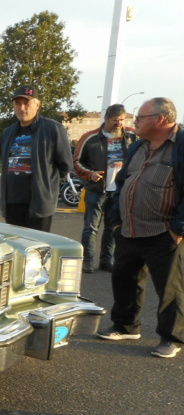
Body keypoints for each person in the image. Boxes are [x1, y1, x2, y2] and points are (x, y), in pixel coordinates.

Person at [97, 97, 184, 359]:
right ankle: (126, 326)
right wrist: (115, 220)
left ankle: (172, 338)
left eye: (141, 117)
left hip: (163, 231)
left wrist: (178, 228)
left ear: (160, 119)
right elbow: (123, 182)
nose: (134, 122)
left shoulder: (180, 145)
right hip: (129, 228)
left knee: (169, 289)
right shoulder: (137, 147)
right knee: (124, 279)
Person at [0, 85, 74, 231]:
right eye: (17, 103)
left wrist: (47, 187)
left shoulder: (53, 129)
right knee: (15, 247)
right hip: (12, 204)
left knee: (37, 249)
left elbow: (65, 165)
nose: (22, 108)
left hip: (39, 204)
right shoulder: (7, 133)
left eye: (26, 103)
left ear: (37, 105)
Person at [73, 104, 136, 273]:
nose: (119, 123)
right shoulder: (90, 137)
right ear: (106, 119)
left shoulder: (131, 135)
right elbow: (77, 161)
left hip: (118, 191)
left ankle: (107, 261)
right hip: (96, 189)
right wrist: (90, 174)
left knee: (112, 227)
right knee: (90, 228)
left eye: (122, 119)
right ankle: (87, 261)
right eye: (115, 120)